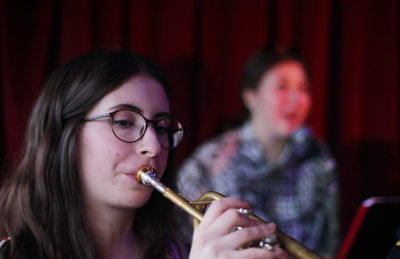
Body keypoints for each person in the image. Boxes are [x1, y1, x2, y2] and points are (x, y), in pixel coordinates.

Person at [0, 50, 287, 259]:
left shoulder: (175, 249)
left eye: (161, 127)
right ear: (65, 135)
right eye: (124, 122)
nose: (154, 145)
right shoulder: (15, 254)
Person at [176, 47, 340, 258]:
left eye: (303, 88)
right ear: (250, 96)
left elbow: (330, 238)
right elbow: (183, 241)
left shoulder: (317, 157)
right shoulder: (211, 161)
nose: (295, 99)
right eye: (282, 87)